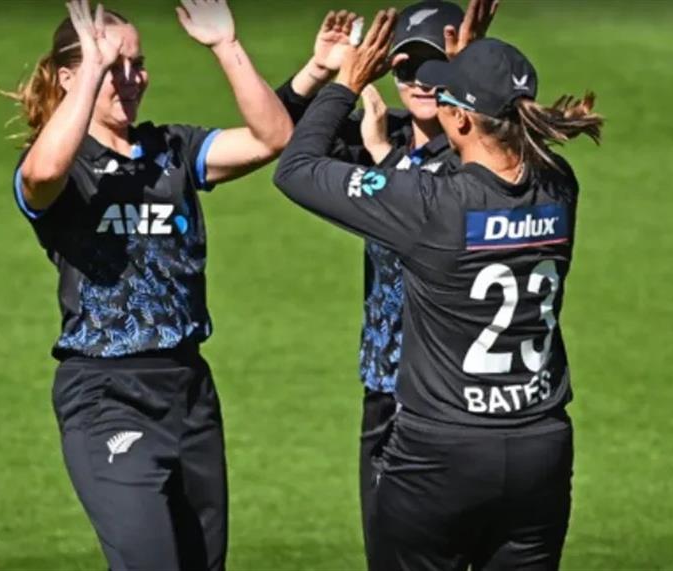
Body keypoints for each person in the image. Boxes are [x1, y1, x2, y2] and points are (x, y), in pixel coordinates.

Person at [274, 9, 603, 570]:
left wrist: (346, 84)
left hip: (441, 453)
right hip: (540, 448)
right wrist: (472, 73)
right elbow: (486, 166)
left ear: (463, 121)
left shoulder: (427, 206)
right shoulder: (557, 186)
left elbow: (296, 169)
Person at [5, 0, 292, 569]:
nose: (131, 79)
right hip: (107, 394)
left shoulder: (172, 150)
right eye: (114, 66)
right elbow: (41, 174)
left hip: (188, 390)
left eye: (137, 64)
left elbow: (273, 137)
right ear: (69, 77)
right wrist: (93, 68)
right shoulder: (64, 167)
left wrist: (225, 46)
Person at [274, 2, 497, 568]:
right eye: (405, 68)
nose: (421, 81)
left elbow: (435, 209)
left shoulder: (479, 151)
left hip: (455, 399)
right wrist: (319, 74)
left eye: (436, 66)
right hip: (386, 389)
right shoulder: (381, 128)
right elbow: (280, 140)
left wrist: (384, 157)